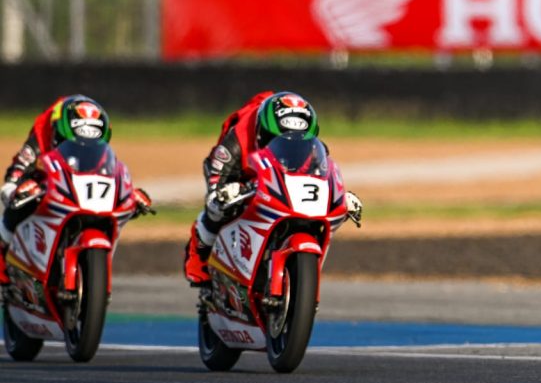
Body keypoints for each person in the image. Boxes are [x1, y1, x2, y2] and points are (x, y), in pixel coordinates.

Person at [183, 91, 362, 285]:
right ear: (261, 132)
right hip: (238, 171)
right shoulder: (236, 141)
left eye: (298, 141)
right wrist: (223, 194)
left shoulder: (312, 149)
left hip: (274, 172)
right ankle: (198, 256)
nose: (289, 147)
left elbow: (319, 176)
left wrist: (339, 197)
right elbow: (217, 178)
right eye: (278, 139)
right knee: (217, 209)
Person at [0, 95, 152, 283]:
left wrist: (129, 195)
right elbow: (19, 167)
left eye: (90, 146)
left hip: (80, 189)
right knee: (17, 202)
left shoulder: (100, 145)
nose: (83, 149)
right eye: (76, 145)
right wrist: (14, 186)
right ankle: (3, 255)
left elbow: (109, 172)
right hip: (45, 177)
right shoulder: (43, 132)